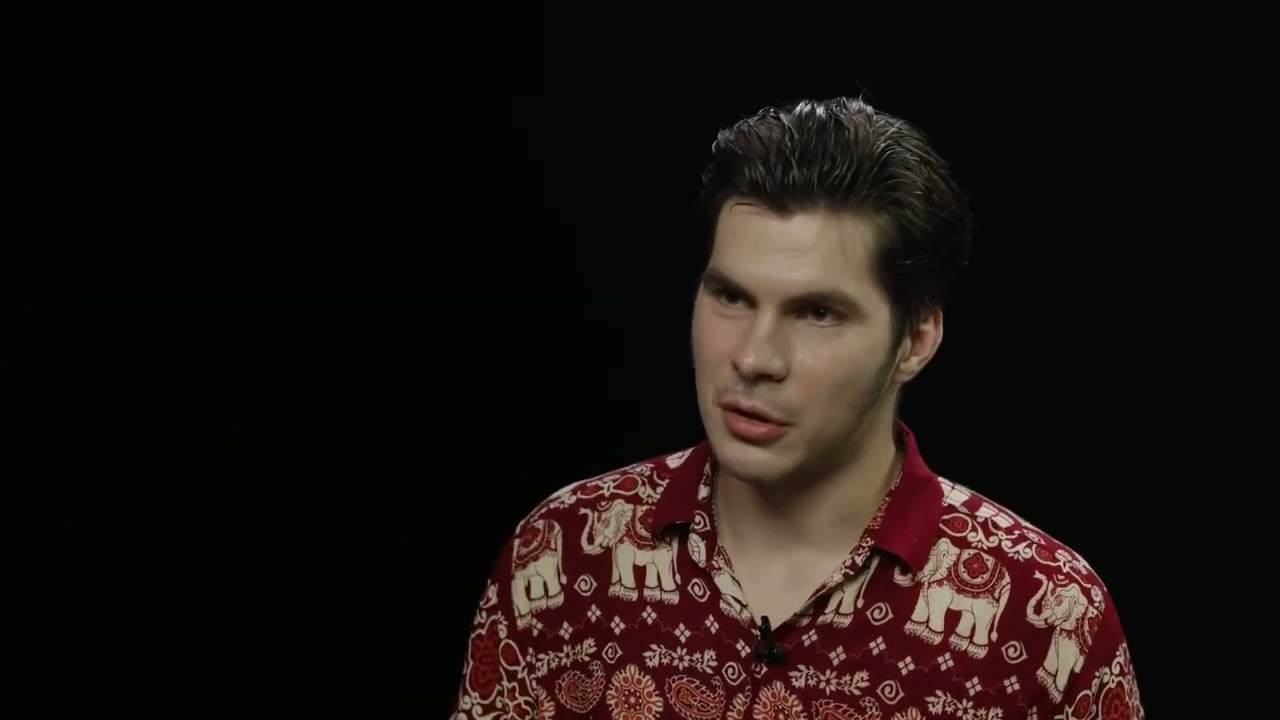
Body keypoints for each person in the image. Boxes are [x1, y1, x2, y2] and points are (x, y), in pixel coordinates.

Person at [451, 97, 1144, 720]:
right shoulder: (564, 554)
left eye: (817, 312)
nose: (754, 357)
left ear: (915, 341)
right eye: (731, 297)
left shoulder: (1046, 614)